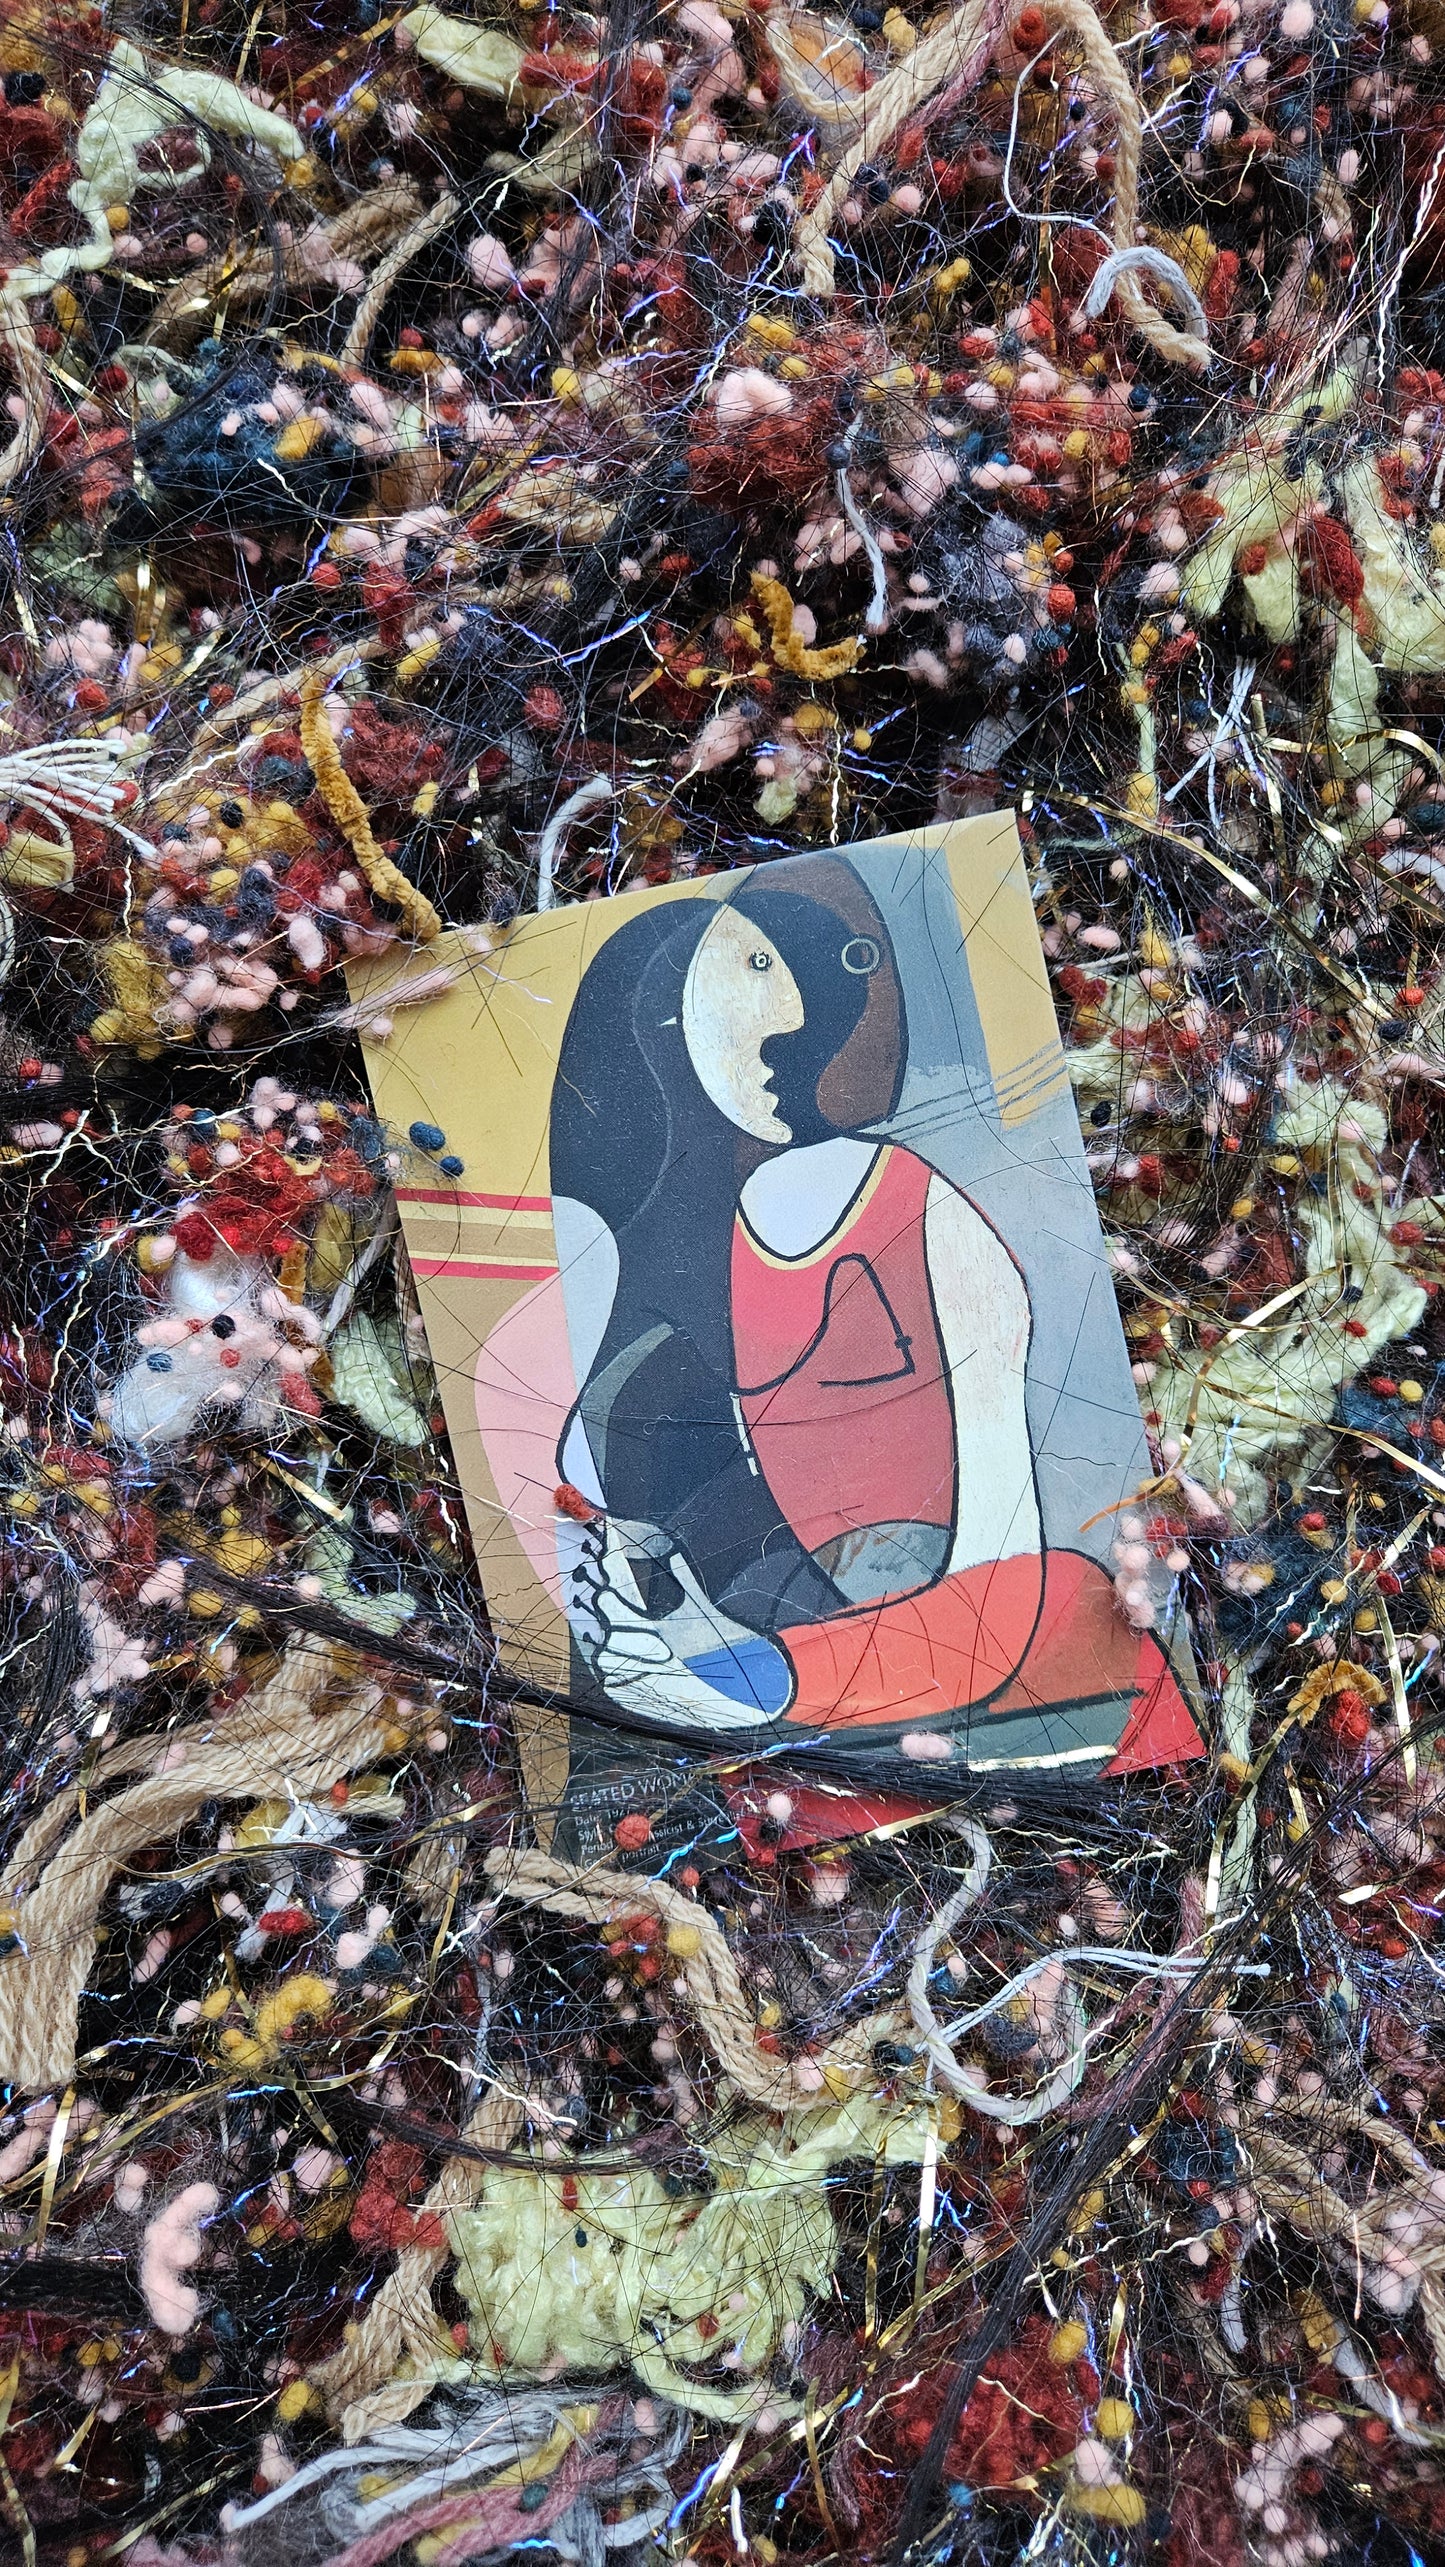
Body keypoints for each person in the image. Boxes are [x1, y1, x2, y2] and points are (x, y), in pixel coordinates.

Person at [511, 854, 1198, 1768]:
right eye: (750, 966)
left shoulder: (923, 1209)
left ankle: (751, 1686)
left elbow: (993, 1554)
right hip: (804, 1617)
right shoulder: (666, 1260)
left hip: (953, 1615)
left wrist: (761, 1668)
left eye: (788, 969)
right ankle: (744, 1678)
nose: (791, 1016)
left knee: (1063, 1590)